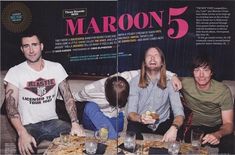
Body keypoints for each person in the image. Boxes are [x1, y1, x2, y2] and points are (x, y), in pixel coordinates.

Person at [4, 32, 85, 155]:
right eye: (26, 46)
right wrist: (21, 132)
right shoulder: (15, 72)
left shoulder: (56, 68)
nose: (31, 50)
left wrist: (75, 123)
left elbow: (68, 97)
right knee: (26, 149)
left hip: (53, 122)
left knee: (80, 142)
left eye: (34, 45)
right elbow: (11, 106)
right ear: (22, 49)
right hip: (29, 125)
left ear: (41, 46)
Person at [127, 46, 185, 141]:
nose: (152, 58)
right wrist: (140, 118)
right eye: (149, 55)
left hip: (162, 122)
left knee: (178, 129)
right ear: (144, 63)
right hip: (142, 122)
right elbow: (131, 113)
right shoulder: (135, 81)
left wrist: (174, 127)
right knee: (131, 128)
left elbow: (179, 112)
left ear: (162, 62)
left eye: (156, 55)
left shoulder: (171, 82)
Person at [181, 54, 234, 153]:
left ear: (211, 72)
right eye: (197, 70)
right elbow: (164, 76)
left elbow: (229, 124)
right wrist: (173, 77)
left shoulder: (222, 91)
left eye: (205, 70)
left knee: (230, 143)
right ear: (192, 72)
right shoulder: (185, 83)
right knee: (189, 148)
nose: (201, 75)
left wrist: (218, 134)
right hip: (194, 126)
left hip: (217, 126)